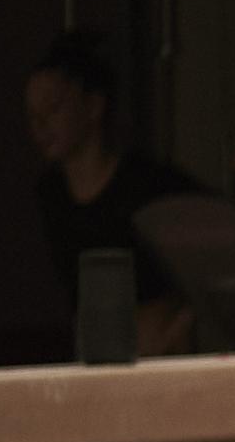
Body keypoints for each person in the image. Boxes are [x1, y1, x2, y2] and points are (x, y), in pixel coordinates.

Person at [22, 31, 199, 360]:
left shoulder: (150, 186)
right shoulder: (50, 197)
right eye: (33, 115)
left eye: (54, 108)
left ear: (93, 105)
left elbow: (210, 274)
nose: (41, 125)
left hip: (159, 356)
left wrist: (172, 333)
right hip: (96, 356)